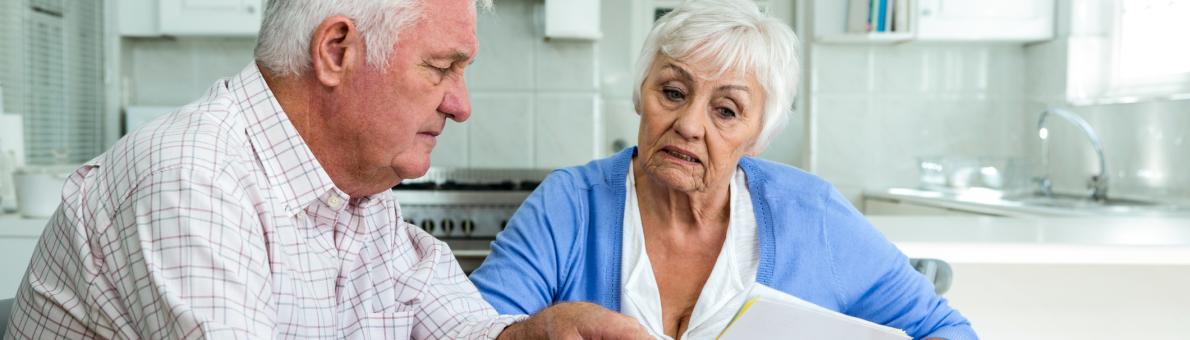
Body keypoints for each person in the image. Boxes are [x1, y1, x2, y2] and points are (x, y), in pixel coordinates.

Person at [3, 0, 651, 339]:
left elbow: (455, 326)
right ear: (336, 49)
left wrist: (538, 335)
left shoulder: (358, 192)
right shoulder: (192, 179)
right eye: (440, 67)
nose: (460, 104)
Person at [469, 0, 978, 339]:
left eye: (726, 110)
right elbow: (472, 329)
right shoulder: (570, 204)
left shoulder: (811, 214)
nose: (689, 125)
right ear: (640, 96)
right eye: (672, 92)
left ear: (758, 135)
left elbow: (947, 332)